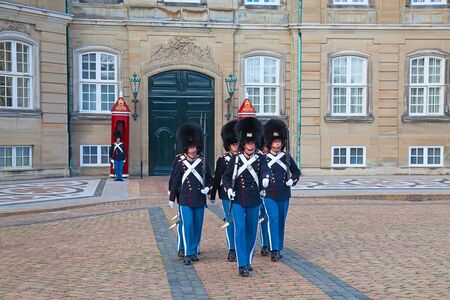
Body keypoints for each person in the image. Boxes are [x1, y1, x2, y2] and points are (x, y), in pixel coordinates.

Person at [222, 117, 272, 277]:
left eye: (252, 142)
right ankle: (241, 263)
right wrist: (228, 189)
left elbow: (266, 171)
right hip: (237, 199)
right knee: (240, 230)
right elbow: (226, 177)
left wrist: (265, 179)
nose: (250, 145)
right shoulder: (236, 159)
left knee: (251, 231)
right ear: (243, 143)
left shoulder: (261, 159)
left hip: (254, 199)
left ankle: (248, 261)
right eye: (248, 142)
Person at [168, 123, 213, 266]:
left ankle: (193, 250)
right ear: (186, 147)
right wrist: (171, 197)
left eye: (194, 146)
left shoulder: (203, 162)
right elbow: (175, 180)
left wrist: (208, 188)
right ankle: (187, 253)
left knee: (197, 226)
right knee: (187, 225)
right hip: (185, 199)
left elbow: (210, 179)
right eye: (190, 147)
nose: (193, 149)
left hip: (199, 198)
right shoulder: (181, 162)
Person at [262, 119, 301, 262]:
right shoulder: (264, 158)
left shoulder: (286, 157)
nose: (277, 143)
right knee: (273, 219)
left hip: (284, 193)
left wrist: (293, 180)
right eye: (275, 141)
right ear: (270, 142)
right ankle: (274, 249)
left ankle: (279, 246)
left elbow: (296, 172)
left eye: (279, 141)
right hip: (269, 194)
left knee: (281, 222)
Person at [211, 120, 238, 262]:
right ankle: (231, 248)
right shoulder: (223, 160)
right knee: (229, 221)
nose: (236, 146)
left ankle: (240, 246)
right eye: (233, 144)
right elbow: (217, 178)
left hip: (241, 194)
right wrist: (212, 194)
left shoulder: (244, 158)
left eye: (237, 144)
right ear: (229, 145)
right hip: (226, 194)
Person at [257, 137, 270, 256]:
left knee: (266, 219)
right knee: (262, 218)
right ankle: (264, 243)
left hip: (270, 193)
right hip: (258, 193)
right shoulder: (259, 158)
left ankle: (267, 243)